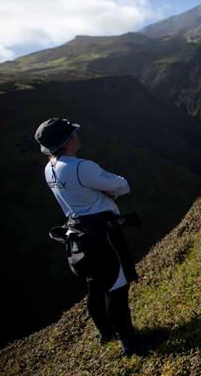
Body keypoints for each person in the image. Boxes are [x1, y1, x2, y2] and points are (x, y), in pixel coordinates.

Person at [35, 118, 143, 356]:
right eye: (73, 133)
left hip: (77, 239)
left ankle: (106, 333)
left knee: (95, 286)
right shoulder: (81, 167)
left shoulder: (49, 169)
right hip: (102, 236)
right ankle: (130, 344)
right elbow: (122, 186)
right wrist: (105, 190)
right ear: (68, 141)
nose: (77, 135)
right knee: (117, 288)